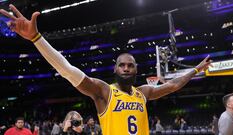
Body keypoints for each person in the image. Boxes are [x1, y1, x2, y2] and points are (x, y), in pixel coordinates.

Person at [0, 5, 212, 135]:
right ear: (115, 68)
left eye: (130, 65)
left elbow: (173, 84)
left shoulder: (144, 92)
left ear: (137, 70)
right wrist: (37, 39)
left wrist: (195, 70)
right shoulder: (104, 91)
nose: (126, 68)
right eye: (122, 65)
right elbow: (66, 69)